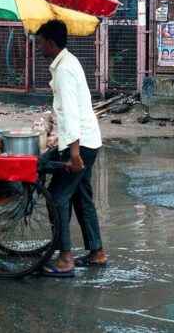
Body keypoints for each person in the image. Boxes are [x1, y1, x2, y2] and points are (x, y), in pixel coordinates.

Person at [36, 20, 106, 277]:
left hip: (80, 144)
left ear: (51, 43)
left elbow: (71, 115)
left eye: (41, 42)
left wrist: (73, 154)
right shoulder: (68, 62)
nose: (38, 46)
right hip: (88, 140)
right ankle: (97, 252)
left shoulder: (64, 69)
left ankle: (65, 259)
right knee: (81, 196)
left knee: (57, 197)